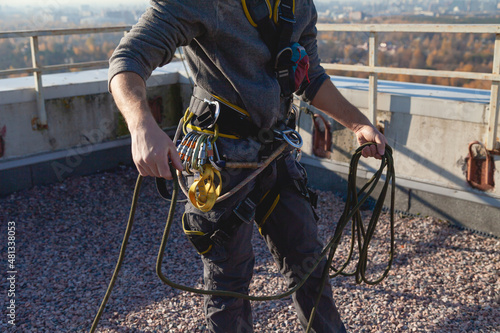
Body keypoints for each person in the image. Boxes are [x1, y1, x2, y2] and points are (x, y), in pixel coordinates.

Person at [108, 1, 387, 332]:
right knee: (229, 282)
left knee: (309, 265)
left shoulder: (298, 4)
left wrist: (358, 124)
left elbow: (309, 76)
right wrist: (141, 125)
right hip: (221, 160)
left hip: (276, 151)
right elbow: (128, 59)